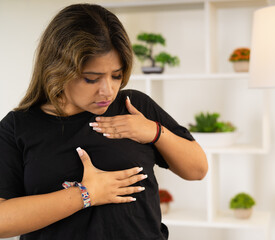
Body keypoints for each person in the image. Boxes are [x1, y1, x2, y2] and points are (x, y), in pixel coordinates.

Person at [0, 3, 207, 240]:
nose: (107, 90)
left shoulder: (134, 106)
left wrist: (154, 131)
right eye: (91, 79)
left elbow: (197, 170)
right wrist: (86, 194)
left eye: (116, 75)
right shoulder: (17, 127)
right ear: (58, 70)